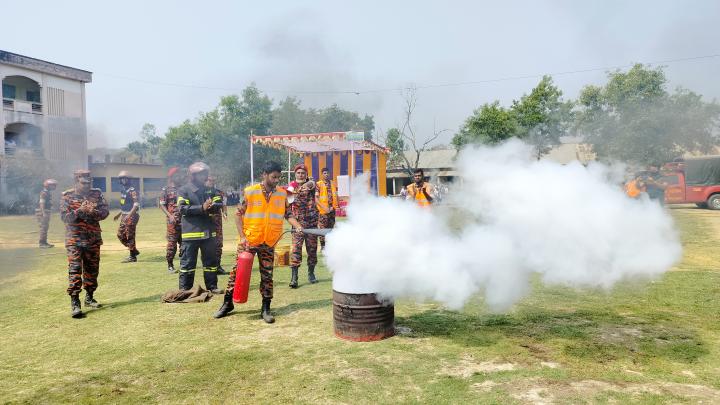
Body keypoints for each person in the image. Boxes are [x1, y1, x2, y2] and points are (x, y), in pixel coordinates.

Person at [214, 161, 302, 322]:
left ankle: (266, 308)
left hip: (269, 242)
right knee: (236, 273)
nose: (276, 180)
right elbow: (238, 214)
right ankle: (227, 303)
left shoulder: (284, 193)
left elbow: (288, 214)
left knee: (267, 275)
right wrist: (242, 237)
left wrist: (297, 226)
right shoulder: (250, 192)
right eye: (273, 177)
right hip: (249, 241)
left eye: (279, 177)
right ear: (264, 175)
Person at [60, 169, 109, 318]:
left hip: (92, 239)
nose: (87, 186)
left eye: (89, 183)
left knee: (92, 269)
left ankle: (89, 297)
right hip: (74, 240)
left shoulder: (97, 194)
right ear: (76, 181)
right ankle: (75, 302)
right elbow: (64, 218)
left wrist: (94, 211)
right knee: (75, 270)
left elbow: (105, 212)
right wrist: (80, 211)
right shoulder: (67, 197)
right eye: (83, 183)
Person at [177, 162, 223, 293]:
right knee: (188, 264)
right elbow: (182, 209)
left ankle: (212, 287)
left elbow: (219, 203)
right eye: (201, 174)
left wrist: (212, 206)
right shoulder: (184, 190)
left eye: (205, 173)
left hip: (208, 233)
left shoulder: (210, 189)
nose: (205, 176)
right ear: (192, 176)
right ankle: (185, 290)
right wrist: (202, 208)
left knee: (210, 263)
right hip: (191, 234)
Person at [288, 164, 319, 288]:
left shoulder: (310, 184)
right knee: (296, 250)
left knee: (312, 249)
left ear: (306, 174)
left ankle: (311, 274)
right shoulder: (291, 186)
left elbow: (312, 184)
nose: (300, 175)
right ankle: (294, 278)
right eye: (298, 173)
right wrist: (295, 190)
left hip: (311, 223)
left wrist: (306, 184)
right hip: (298, 224)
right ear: (295, 174)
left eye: (303, 173)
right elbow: (289, 200)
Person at [113, 171, 140, 262]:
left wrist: (129, 215)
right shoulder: (123, 190)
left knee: (130, 236)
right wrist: (119, 213)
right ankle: (133, 250)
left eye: (125, 178)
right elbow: (124, 204)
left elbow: (136, 205)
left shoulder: (132, 190)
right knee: (120, 235)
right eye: (122, 178)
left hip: (132, 215)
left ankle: (132, 256)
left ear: (129, 179)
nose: (123, 180)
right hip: (124, 215)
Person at [159, 167, 182, 274]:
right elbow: (162, 205)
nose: (179, 177)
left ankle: (184, 264)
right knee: (172, 243)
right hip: (172, 221)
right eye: (177, 175)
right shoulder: (166, 190)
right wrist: (170, 216)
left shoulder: (183, 189)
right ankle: (170, 265)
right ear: (172, 176)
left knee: (185, 243)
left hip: (184, 220)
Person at [205, 176, 228, 275]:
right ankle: (209, 267)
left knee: (218, 244)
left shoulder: (218, 192)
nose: (212, 182)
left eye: (213, 180)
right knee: (206, 245)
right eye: (210, 180)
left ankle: (217, 266)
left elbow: (223, 204)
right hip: (205, 222)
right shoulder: (201, 192)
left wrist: (225, 213)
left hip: (216, 223)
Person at [316, 167, 338, 251]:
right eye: (324, 173)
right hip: (323, 211)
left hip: (332, 210)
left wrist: (333, 207)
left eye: (327, 173)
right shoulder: (319, 184)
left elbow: (335, 196)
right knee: (322, 229)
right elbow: (316, 199)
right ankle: (323, 246)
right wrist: (324, 208)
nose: (326, 174)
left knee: (331, 229)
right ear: (322, 174)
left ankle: (330, 245)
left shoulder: (333, 183)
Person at [37, 178, 58, 248]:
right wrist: (43, 213)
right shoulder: (44, 193)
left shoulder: (47, 193)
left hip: (45, 211)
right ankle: (42, 243)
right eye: (53, 185)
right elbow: (42, 203)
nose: (54, 187)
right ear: (48, 185)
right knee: (43, 227)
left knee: (45, 227)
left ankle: (44, 242)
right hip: (43, 211)